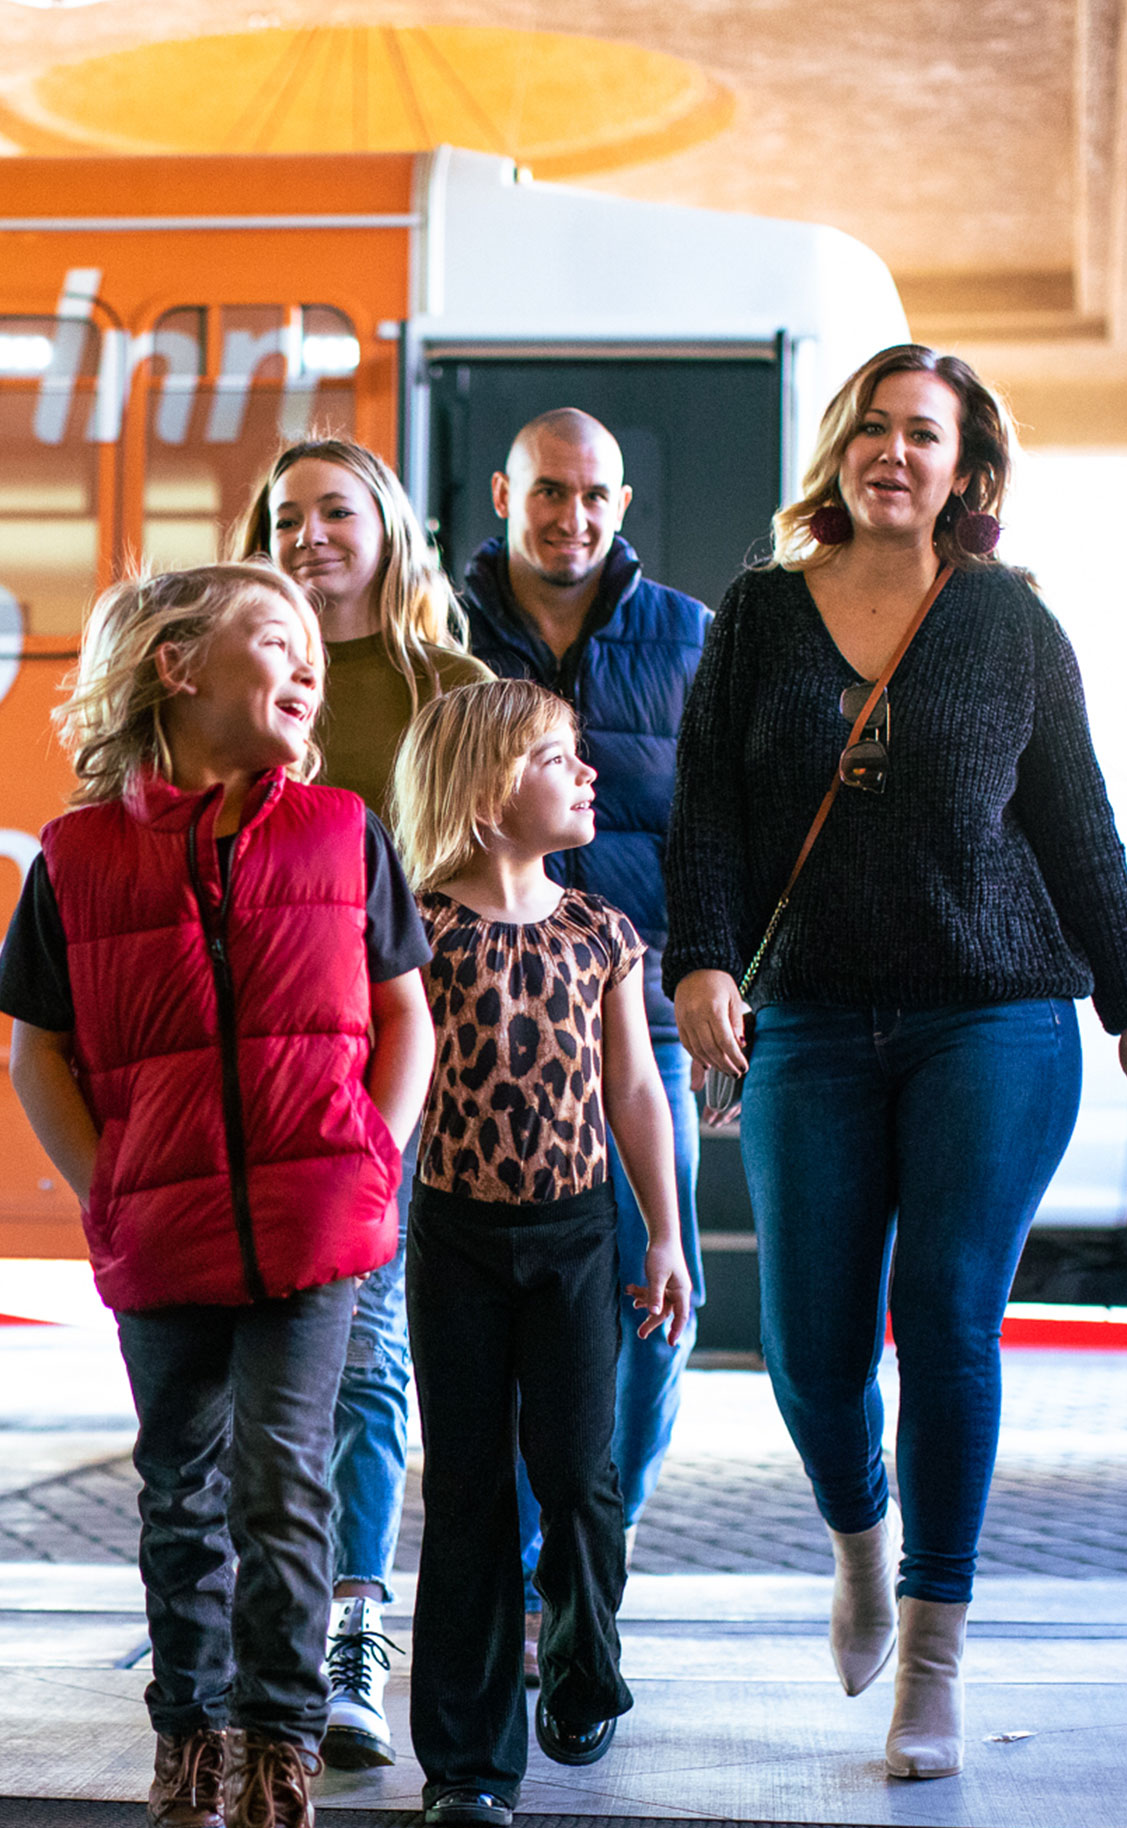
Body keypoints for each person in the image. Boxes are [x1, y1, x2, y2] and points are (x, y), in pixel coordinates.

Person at [663, 344, 1127, 1779]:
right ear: (842, 451)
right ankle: (860, 1540)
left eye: (927, 436)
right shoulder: (760, 618)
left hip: (995, 1015)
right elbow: (707, 810)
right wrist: (702, 960)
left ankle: (935, 1660)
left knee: (945, 1314)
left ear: (970, 471)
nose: (897, 452)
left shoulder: (1012, 626)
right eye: (875, 429)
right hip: (816, 1021)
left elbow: (1078, 829)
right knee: (813, 1347)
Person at [0, 561, 435, 1828]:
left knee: (282, 1495)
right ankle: (183, 1771)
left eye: (312, 649)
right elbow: (37, 1056)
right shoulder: (74, 859)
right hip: (163, 1233)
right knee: (180, 1496)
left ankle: (274, 1804)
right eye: (273, 642)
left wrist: (376, 1155)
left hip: (316, 1227)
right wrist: (106, 1185)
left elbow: (404, 1012)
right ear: (177, 671)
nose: (304, 667)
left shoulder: (346, 831)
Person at [387, 679, 688, 1828]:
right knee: (466, 1489)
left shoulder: (602, 932)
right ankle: (467, 1759)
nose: (588, 772)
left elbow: (636, 1093)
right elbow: (402, 1088)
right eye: (561, 757)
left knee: (577, 1475)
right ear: (486, 787)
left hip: (575, 1235)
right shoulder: (418, 928)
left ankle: (578, 1665)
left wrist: (664, 1231)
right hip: (456, 1240)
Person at [230, 438, 490, 1772]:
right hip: (258, 1070)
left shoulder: (453, 689)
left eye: (339, 512)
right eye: (291, 517)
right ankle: (254, 1623)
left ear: (388, 528)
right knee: (267, 1369)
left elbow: (492, 883)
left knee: (371, 1359)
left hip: (406, 1060)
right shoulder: (236, 681)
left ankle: (351, 1632)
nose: (315, 535)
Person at [454, 408, 708, 1668]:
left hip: (640, 1018)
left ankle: (583, 1573)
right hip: (475, 1036)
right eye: (551, 492)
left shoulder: (685, 638)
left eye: (597, 495)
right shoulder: (442, 632)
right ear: (506, 492)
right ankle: (507, 1590)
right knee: (489, 1330)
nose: (576, 517)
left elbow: (720, 831)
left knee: (657, 1307)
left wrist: (712, 980)